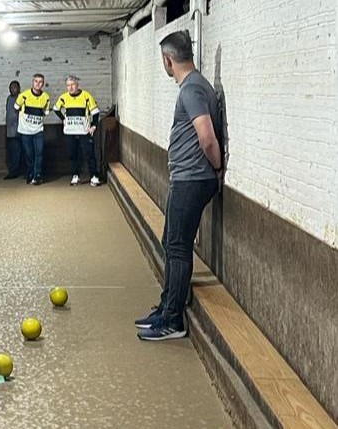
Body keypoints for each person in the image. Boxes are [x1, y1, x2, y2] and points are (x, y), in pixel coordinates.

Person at [136, 30, 223, 341]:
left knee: (178, 246)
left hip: (192, 179)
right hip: (185, 177)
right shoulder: (194, 87)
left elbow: (208, 137)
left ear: (167, 60)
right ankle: (167, 306)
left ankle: (173, 320)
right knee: (170, 242)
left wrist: (215, 168)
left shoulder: (192, 90)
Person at [53, 75, 102, 186]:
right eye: (68, 85)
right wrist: (63, 119)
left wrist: (94, 125)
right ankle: (75, 176)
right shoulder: (63, 97)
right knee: (72, 154)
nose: (70, 87)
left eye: (73, 85)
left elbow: (95, 112)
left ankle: (94, 176)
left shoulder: (86, 96)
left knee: (89, 154)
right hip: (70, 131)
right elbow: (56, 109)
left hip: (84, 131)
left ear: (77, 85)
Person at [14, 74, 50, 185]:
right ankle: (30, 173)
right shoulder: (24, 96)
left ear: (43, 84)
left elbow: (46, 112)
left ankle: (37, 175)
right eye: (36, 81)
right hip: (25, 131)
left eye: (40, 82)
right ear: (32, 82)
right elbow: (16, 108)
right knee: (29, 154)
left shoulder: (46, 97)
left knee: (39, 152)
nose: (38, 84)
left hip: (38, 130)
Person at [3, 80, 21, 180]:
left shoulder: (21, 98)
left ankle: (16, 172)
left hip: (19, 130)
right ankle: (12, 171)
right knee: (11, 153)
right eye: (11, 87)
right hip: (9, 130)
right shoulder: (9, 99)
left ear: (19, 88)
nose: (12, 89)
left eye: (14, 87)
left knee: (18, 153)